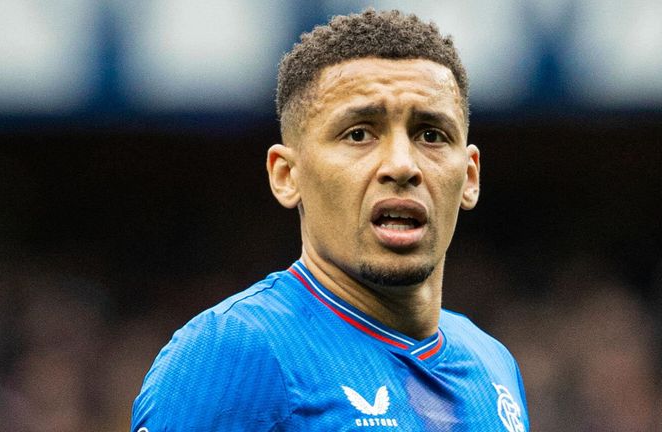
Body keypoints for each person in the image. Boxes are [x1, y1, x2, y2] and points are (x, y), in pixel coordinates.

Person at [131, 9, 529, 431]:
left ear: (469, 177)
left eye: (431, 135)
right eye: (359, 133)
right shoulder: (234, 354)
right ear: (287, 176)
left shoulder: (492, 363)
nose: (401, 165)